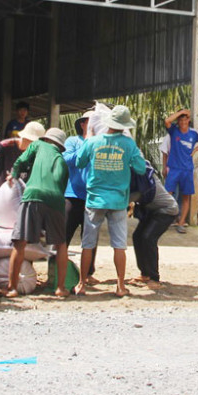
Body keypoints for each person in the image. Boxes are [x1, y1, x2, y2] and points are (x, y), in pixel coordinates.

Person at [75, 105, 147, 297]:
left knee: (87, 244)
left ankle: (82, 283)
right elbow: (141, 168)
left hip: (95, 199)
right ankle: (120, 286)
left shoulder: (94, 141)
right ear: (124, 126)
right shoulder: (128, 144)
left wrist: (88, 136)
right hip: (118, 201)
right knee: (119, 245)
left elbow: (79, 162)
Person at [1, 128, 70, 298]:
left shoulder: (38, 144)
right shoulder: (61, 160)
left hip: (33, 195)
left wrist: (14, 174)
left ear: (46, 139)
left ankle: (12, 288)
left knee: (20, 242)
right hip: (56, 200)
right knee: (61, 244)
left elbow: (21, 161)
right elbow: (61, 185)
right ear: (59, 146)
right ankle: (60, 288)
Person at [130, 161, 179, 290]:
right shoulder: (137, 177)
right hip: (152, 211)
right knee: (137, 236)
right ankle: (145, 274)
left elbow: (129, 198)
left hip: (167, 210)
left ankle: (154, 278)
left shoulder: (143, 179)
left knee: (148, 238)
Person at [62, 111, 98, 284]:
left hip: (93, 196)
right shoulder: (73, 141)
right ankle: (57, 269)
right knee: (64, 234)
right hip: (72, 194)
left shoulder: (100, 143)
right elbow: (67, 159)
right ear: (82, 124)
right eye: (89, 121)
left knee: (90, 237)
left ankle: (88, 273)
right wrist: (87, 144)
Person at [163, 108, 198, 234]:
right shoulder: (174, 131)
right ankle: (166, 220)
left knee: (186, 197)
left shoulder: (193, 133)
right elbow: (167, 121)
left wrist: (195, 150)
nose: (183, 122)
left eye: (185, 119)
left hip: (187, 169)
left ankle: (181, 223)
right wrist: (181, 112)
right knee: (168, 195)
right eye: (180, 120)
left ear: (188, 120)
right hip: (174, 169)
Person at [0, 122, 45, 192]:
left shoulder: (38, 152)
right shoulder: (5, 146)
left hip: (25, 193)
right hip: (5, 191)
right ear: (24, 137)